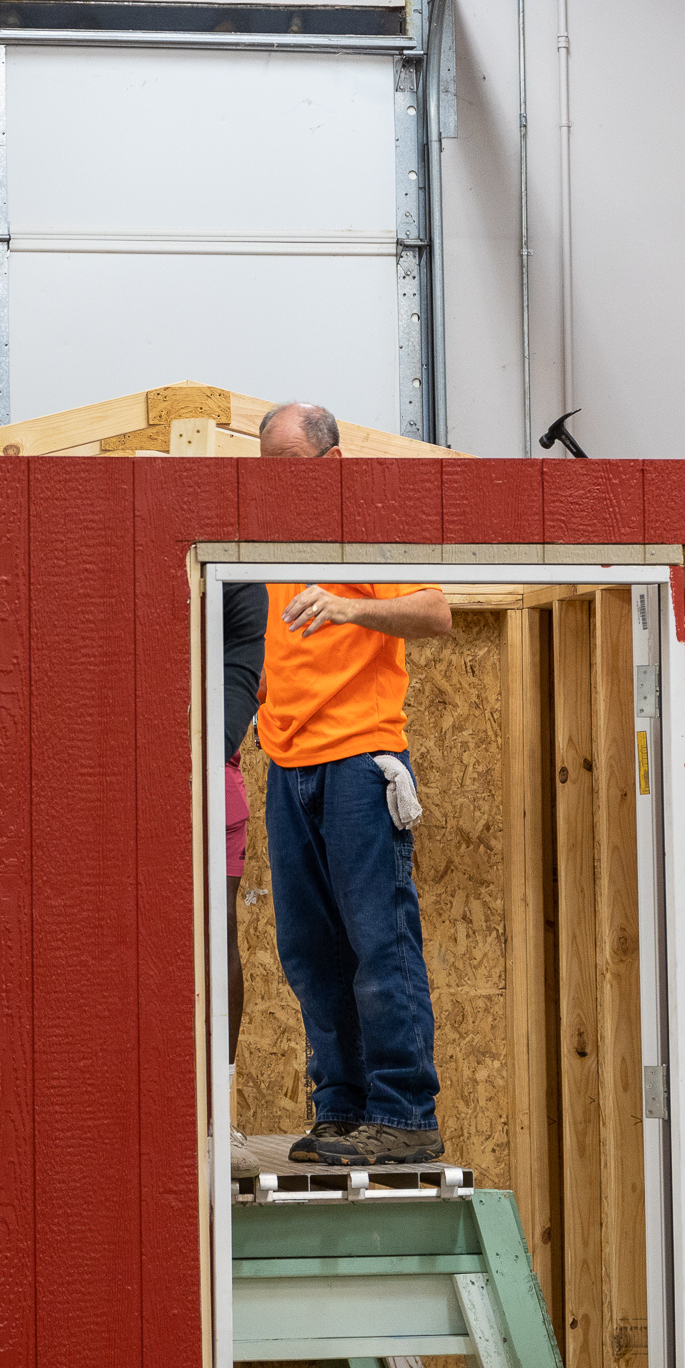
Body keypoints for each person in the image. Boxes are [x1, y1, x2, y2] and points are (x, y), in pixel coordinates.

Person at [256, 402, 454, 1169]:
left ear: (331, 464)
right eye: (263, 469)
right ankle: (339, 1107)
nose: (274, 483)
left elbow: (436, 610)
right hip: (288, 759)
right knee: (308, 947)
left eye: (288, 467)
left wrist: (347, 605)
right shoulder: (265, 533)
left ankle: (405, 1112)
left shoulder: (363, 517)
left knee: (379, 936)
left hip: (360, 756)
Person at [222, 580, 268, 1180]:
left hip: (209, 774)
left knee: (217, 936)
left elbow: (236, 689)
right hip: (209, 769)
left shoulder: (240, 584)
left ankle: (218, 1111)